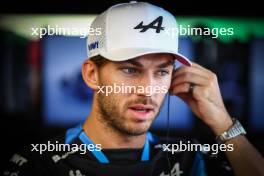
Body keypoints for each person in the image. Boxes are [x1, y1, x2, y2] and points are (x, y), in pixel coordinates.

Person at [4, 1, 264, 176]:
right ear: (92, 74)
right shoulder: (37, 163)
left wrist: (222, 121)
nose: (148, 90)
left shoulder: (191, 159)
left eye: (162, 71)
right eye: (130, 70)